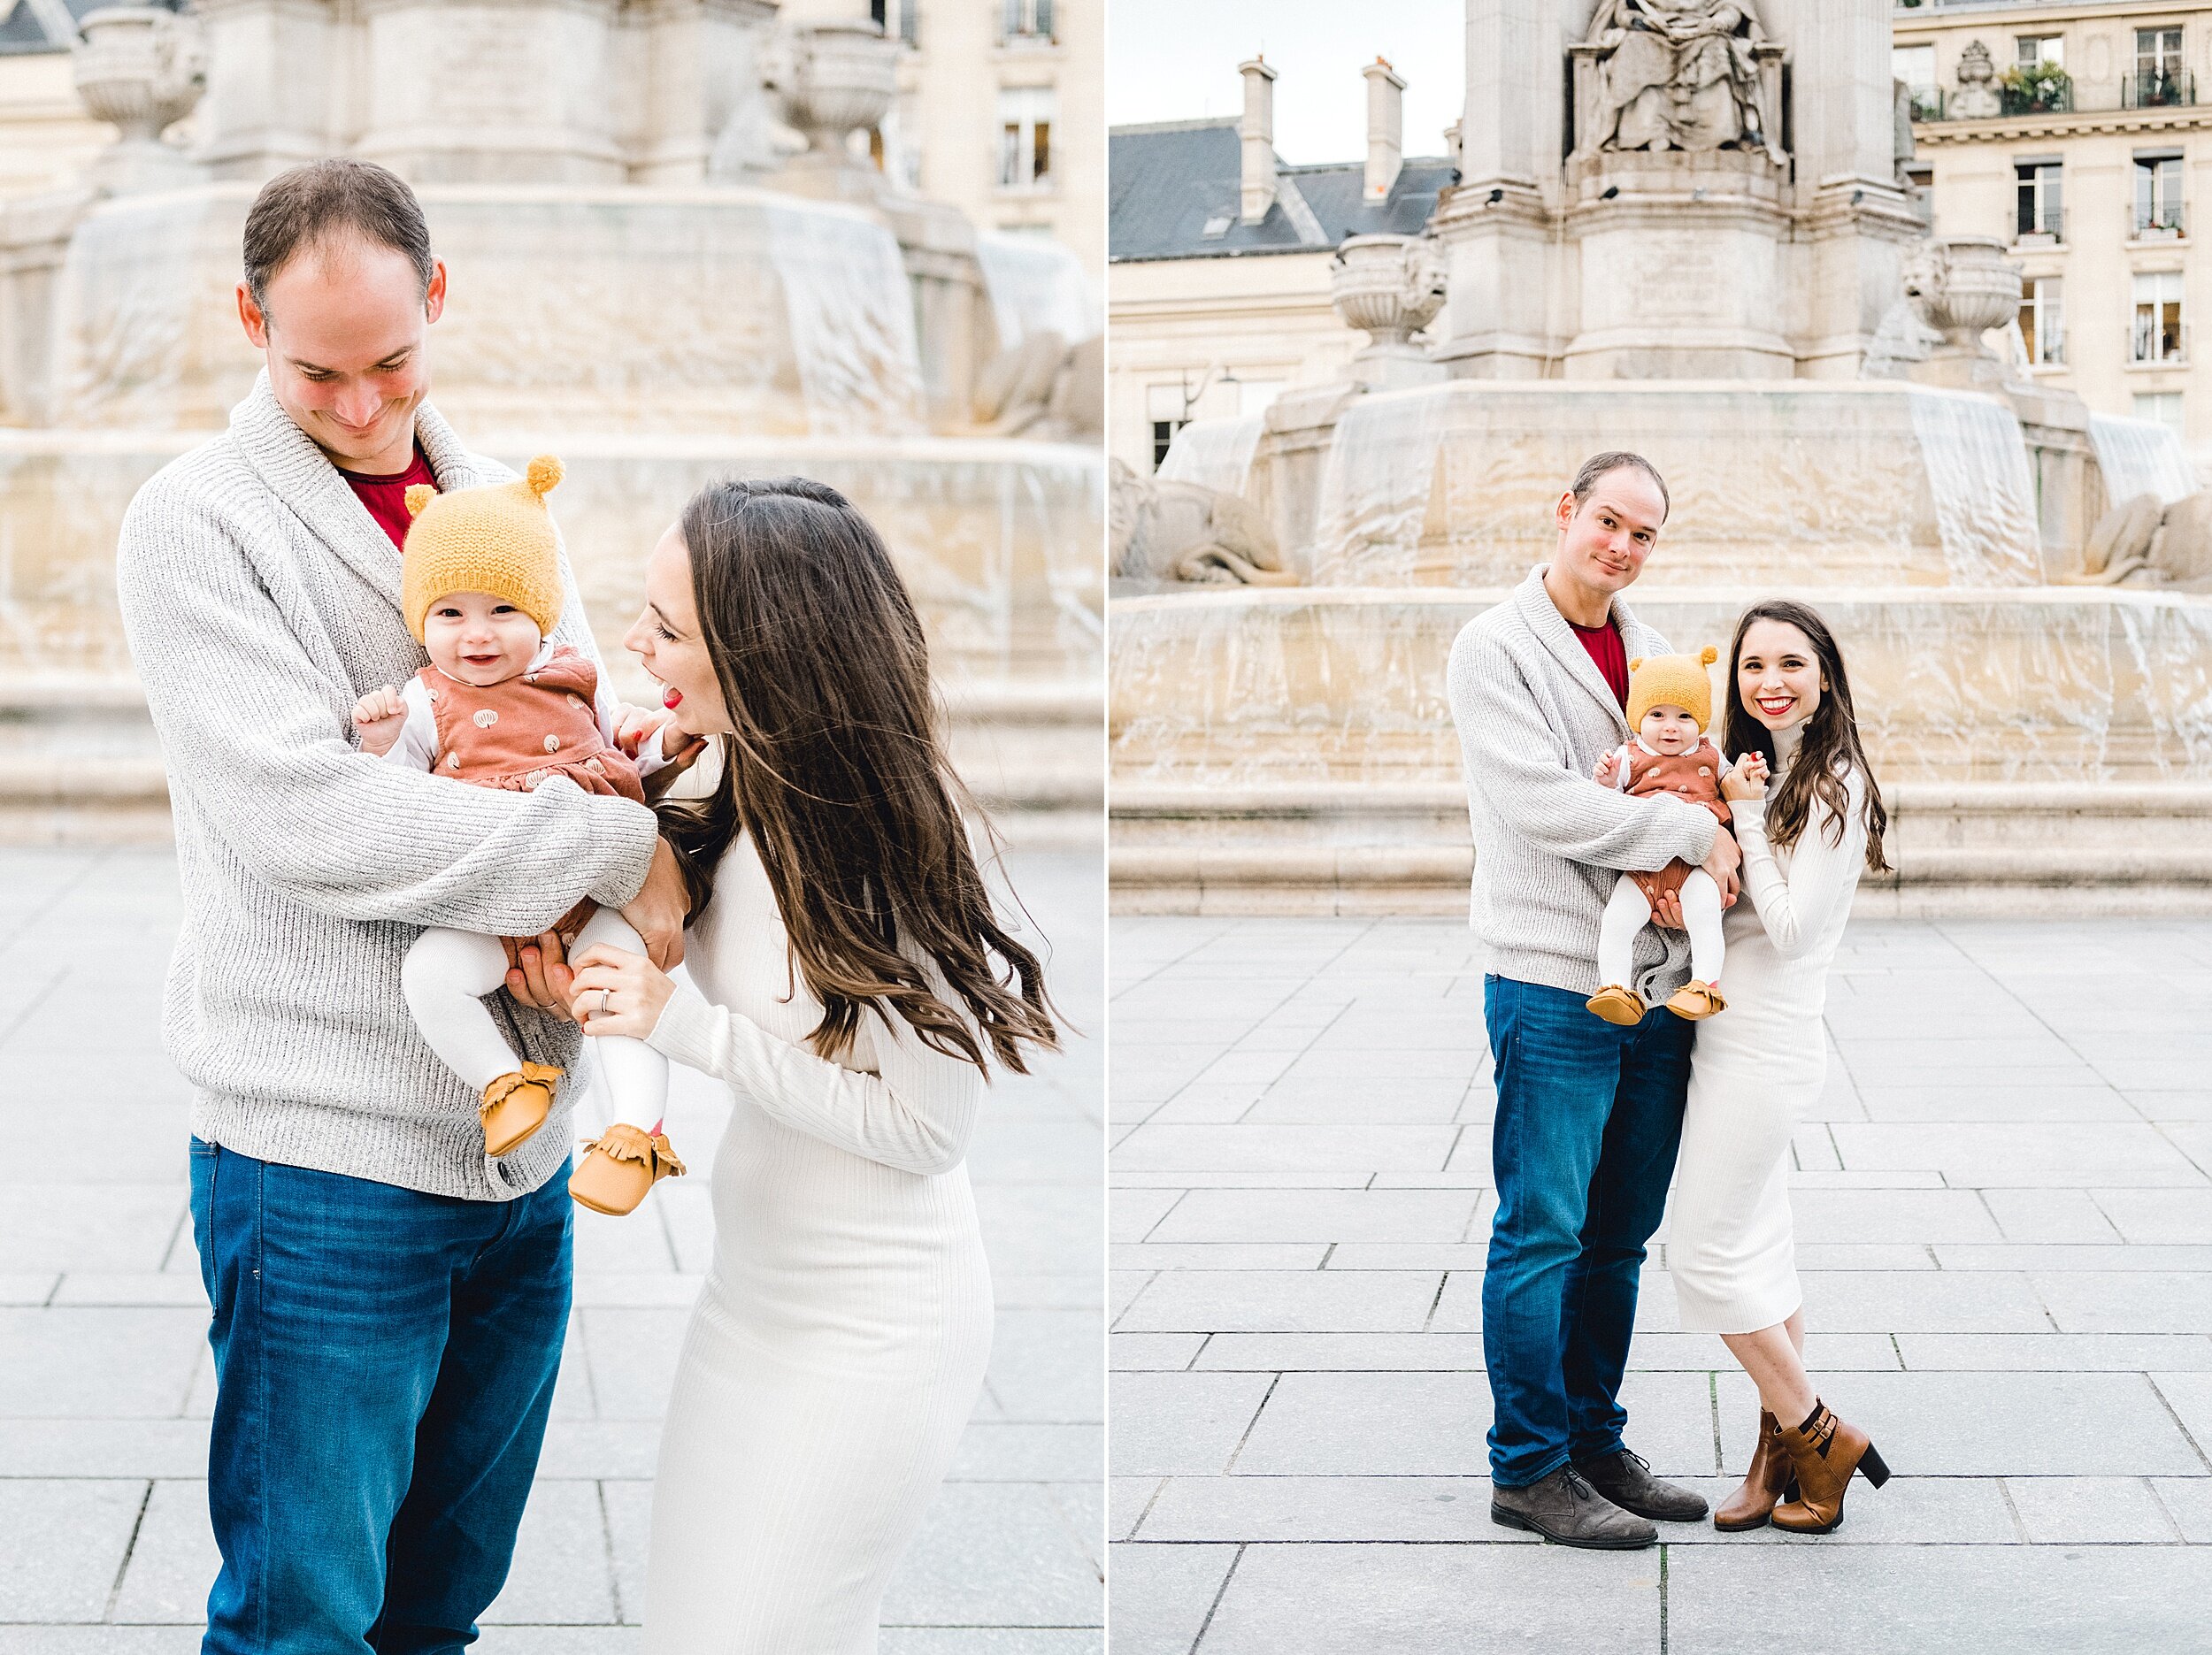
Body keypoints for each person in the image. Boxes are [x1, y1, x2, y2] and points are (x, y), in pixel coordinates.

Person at [114, 158, 692, 1650]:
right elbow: (307, 812)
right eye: (317, 371)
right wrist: (616, 858)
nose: (363, 405)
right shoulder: (197, 521)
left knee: (443, 1611)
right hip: (323, 1157)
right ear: (247, 318)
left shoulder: (498, 500)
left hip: (521, 1164)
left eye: (391, 364)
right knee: (303, 1619)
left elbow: (592, 728)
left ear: (436, 301)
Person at [557, 478, 1061, 1651]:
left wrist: (678, 1024)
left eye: (668, 627)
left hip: (872, 1328)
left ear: (764, 652)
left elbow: (927, 1132)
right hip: (753, 1297)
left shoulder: (877, 844)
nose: (635, 642)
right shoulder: (730, 772)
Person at [1447, 449, 1741, 1550]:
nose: (1620, 545)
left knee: (1619, 1234)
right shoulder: (1495, 646)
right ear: (1564, 513)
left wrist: (1736, 824)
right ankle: (1526, 1467)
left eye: (1643, 533)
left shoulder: (1660, 653)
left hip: (1659, 988)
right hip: (1551, 974)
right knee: (1542, 1231)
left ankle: (1592, 1440)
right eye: (1607, 521)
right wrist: (1690, 835)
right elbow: (1541, 803)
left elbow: (1707, 771)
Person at [349, 456, 690, 1216]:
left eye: (503, 610)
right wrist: (379, 740)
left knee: (621, 991)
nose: (477, 634)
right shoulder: (421, 699)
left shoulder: (575, 676)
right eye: (451, 613)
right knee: (432, 974)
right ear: (421, 619)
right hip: (494, 901)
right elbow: (389, 799)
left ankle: (634, 1133)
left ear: (543, 612)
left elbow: (620, 752)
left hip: (595, 890)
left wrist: (662, 745)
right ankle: (503, 1082)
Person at [1669, 599, 1895, 1533]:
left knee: (1700, 1250)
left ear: (1826, 676)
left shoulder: (1833, 781)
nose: (1769, 680)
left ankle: (1820, 1432)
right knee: (1757, 1248)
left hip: (1766, 1045)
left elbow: (1794, 930)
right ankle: (1781, 1470)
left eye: (1791, 663)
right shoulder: (1773, 764)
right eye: (1753, 664)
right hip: (1728, 1037)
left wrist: (1749, 823)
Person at [1588, 647, 1734, 1025]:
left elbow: (1732, 784)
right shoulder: (1629, 756)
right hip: (1642, 870)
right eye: (1657, 715)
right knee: (1617, 922)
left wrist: (1746, 777)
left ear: (1700, 722)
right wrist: (1605, 781)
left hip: (1696, 867)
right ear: (1639, 718)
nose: (1671, 727)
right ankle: (1615, 988)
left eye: (1685, 716)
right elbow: (1604, 809)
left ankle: (1704, 984)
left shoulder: (1710, 755)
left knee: (1705, 918)